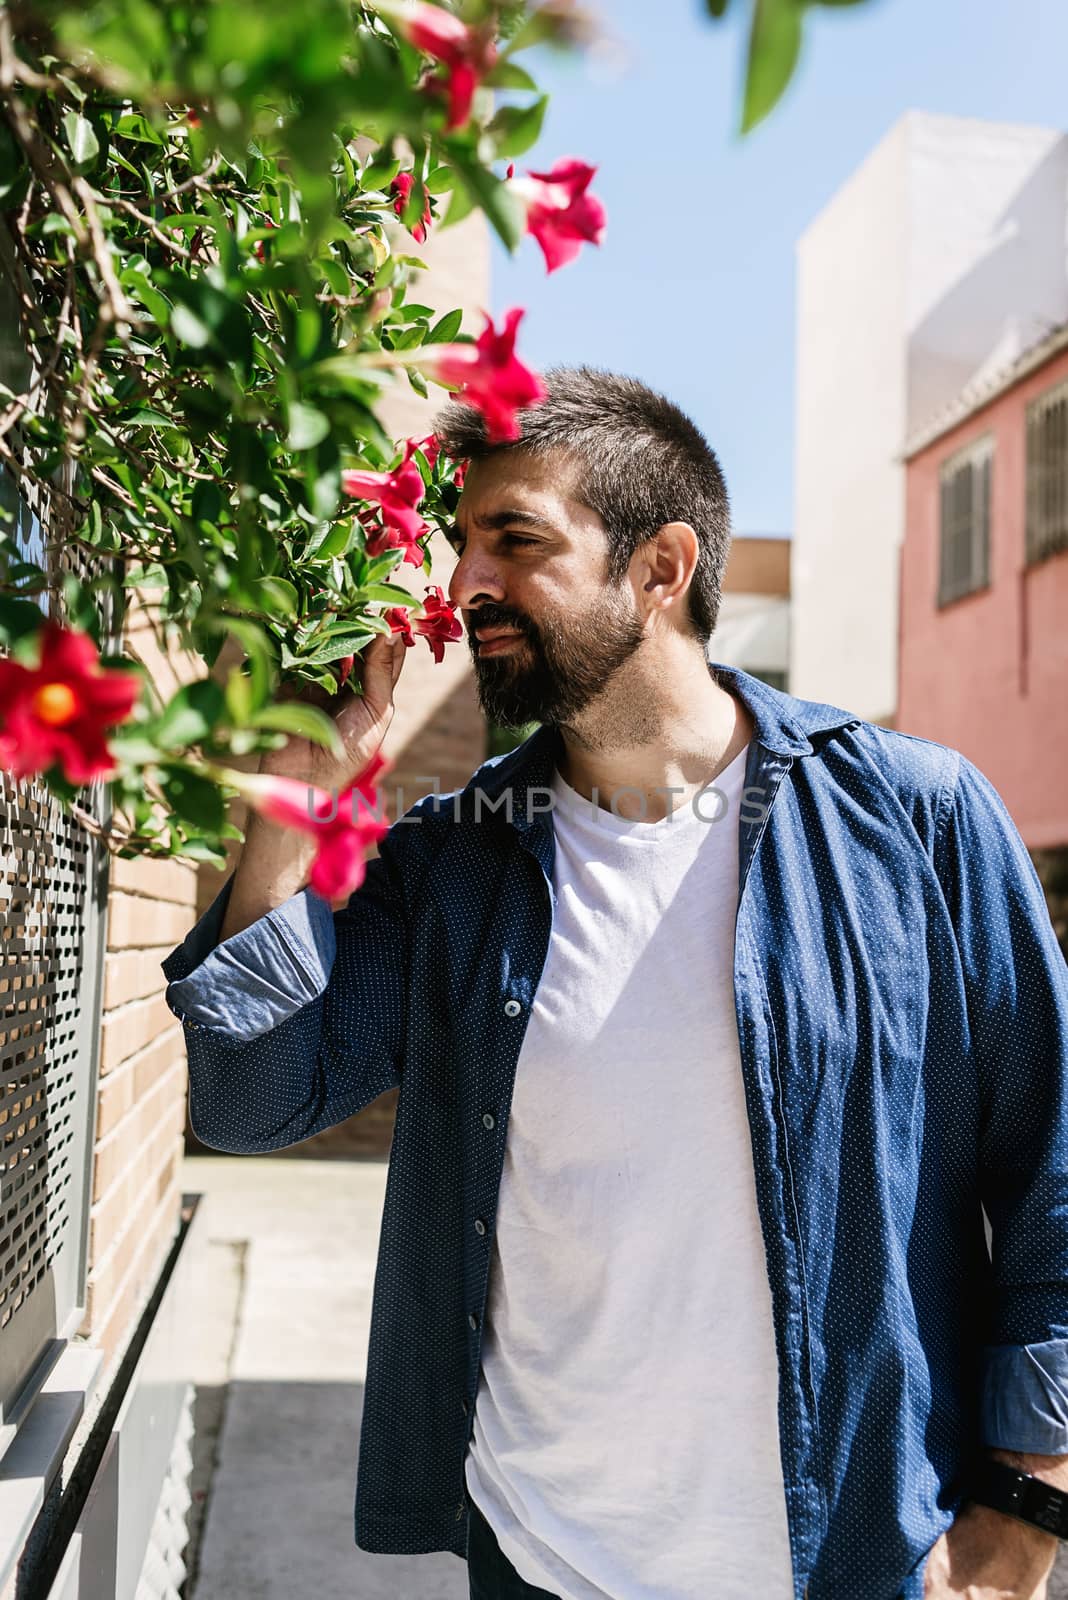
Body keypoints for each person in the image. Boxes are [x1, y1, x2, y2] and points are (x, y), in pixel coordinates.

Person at [161, 368, 1068, 1600]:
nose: (465, 582)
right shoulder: (454, 862)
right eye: (460, 542)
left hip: (857, 1561)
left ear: (662, 566)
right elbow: (252, 1096)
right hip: (544, 1563)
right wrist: (290, 797)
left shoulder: (916, 825)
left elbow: (1053, 1180)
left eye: (515, 539)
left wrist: (1022, 1521)